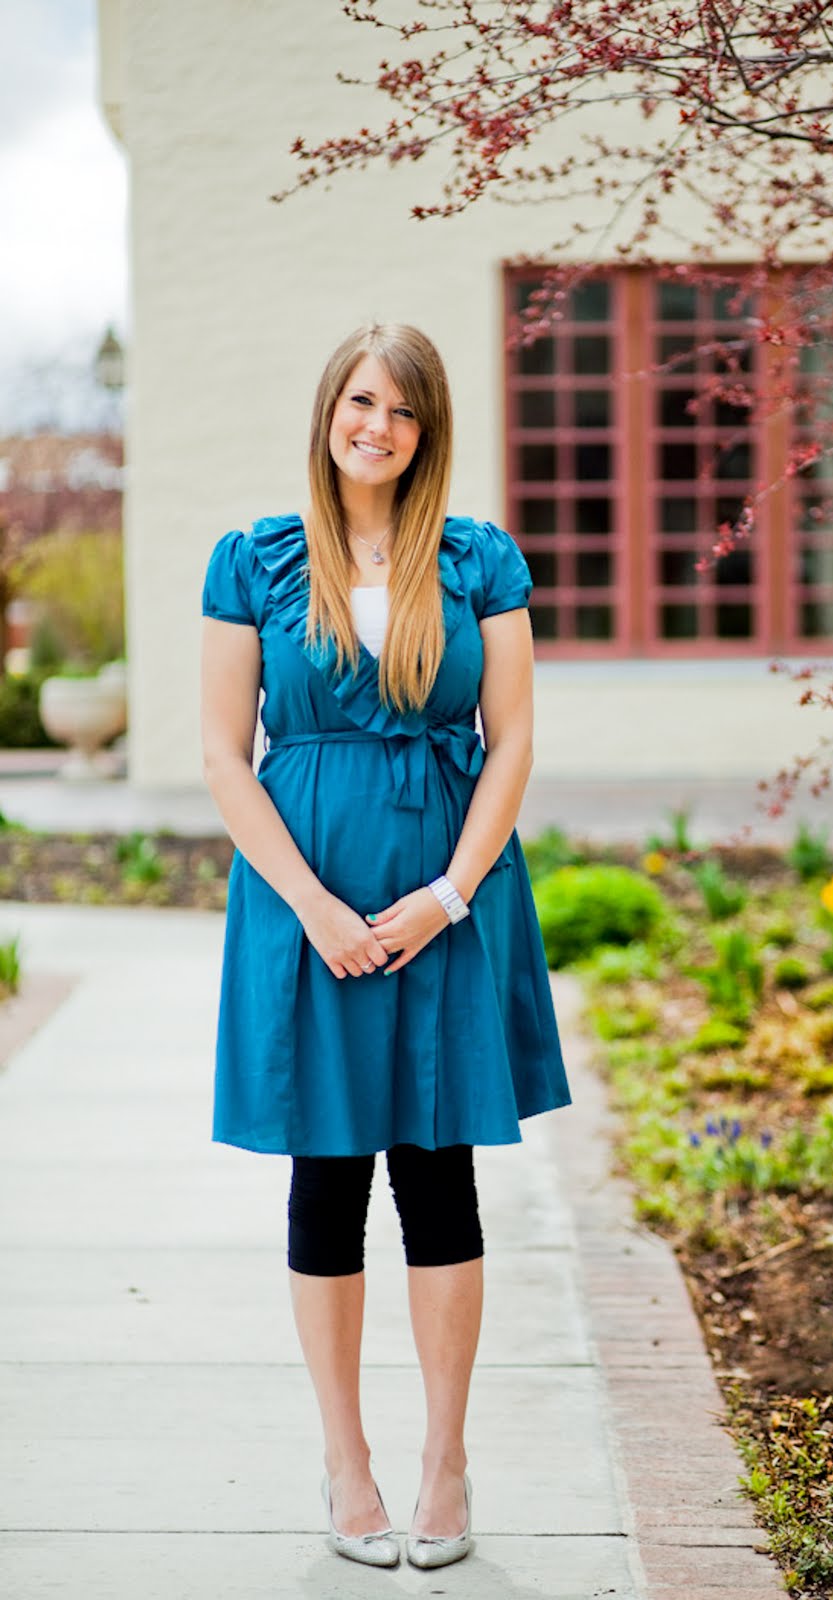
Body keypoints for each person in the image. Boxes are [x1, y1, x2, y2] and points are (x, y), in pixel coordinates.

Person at [199, 322, 572, 1571]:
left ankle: (444, 1460)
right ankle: (347, 1461)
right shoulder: (251, 562)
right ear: (328, 410)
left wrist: (448, 895)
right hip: (306, 909)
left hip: (442, 904)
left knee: (437, 1176)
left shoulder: (477, 561)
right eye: (363, 401)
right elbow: (221, 754)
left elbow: (510, 739)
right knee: (326, 1178)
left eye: (405, 411)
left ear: (429, 431)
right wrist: (310, 906)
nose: (380, 426)